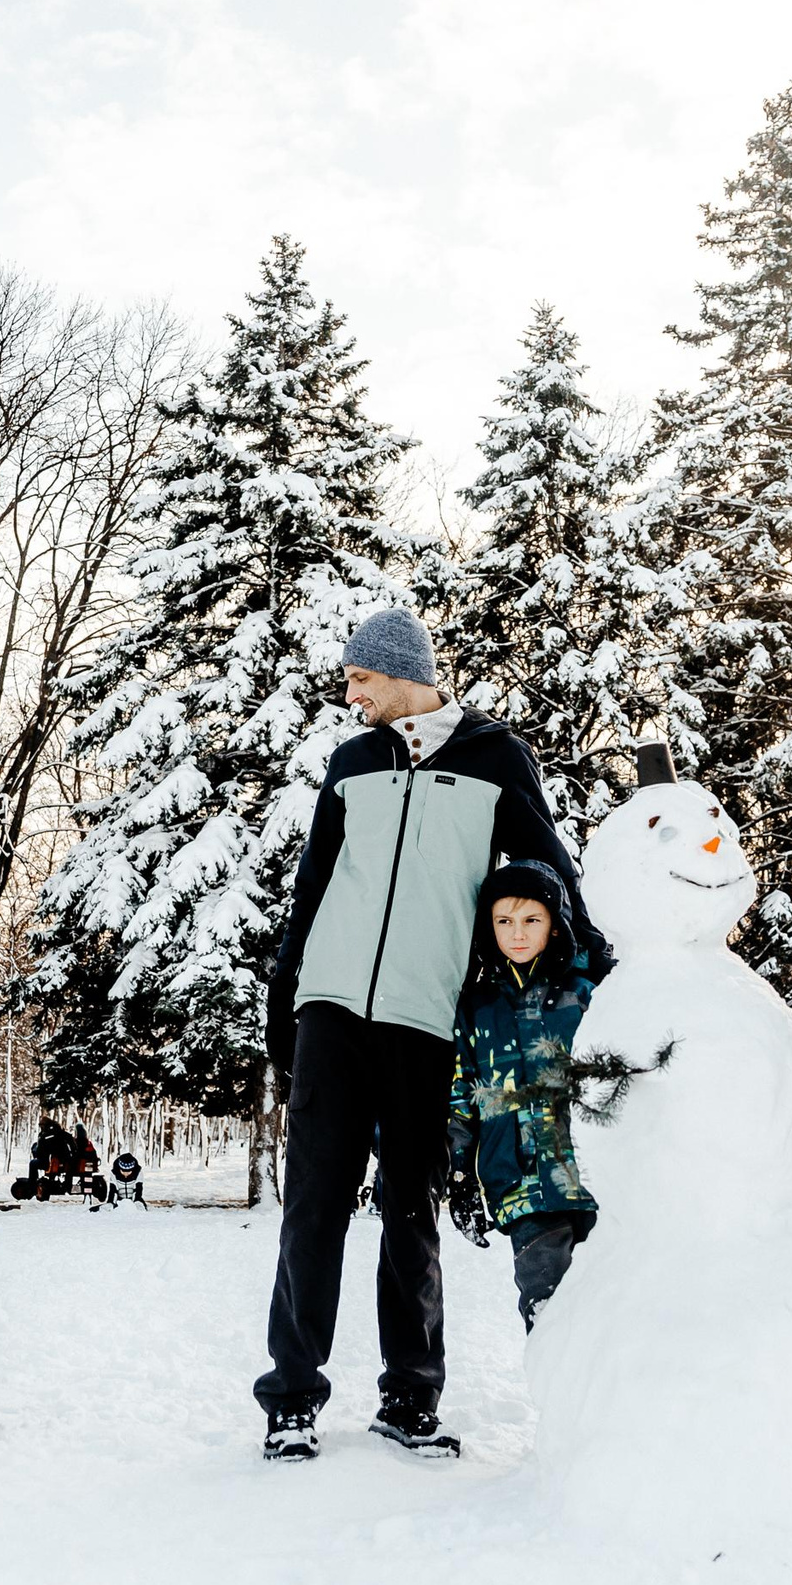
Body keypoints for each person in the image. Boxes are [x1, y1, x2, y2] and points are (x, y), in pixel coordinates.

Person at [256, 607, 612, 1463]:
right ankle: (292, 1396)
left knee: (409, 1207)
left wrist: (598, 968)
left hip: (426, 1016)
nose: (351, 696)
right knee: (312, 1205)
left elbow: (551, 872)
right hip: (332, 1008)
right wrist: (285, 990)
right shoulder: (351, 763)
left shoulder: (496, 757)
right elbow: (314, 886)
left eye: (359, 680)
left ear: (402, 672)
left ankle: (410, 1396)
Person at [445, 861, 602, 1330]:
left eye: (531, 920)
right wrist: (460, 1177)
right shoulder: (475, 1008)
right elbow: (460, 1098)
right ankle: (561, 1398)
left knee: (607, 1305)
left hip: (595, 1179)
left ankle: (615, 1399)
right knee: (548, 1303)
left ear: (555, 926)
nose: (517, 933)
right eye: (504, 921)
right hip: (519, 1183)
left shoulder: (587, 996)